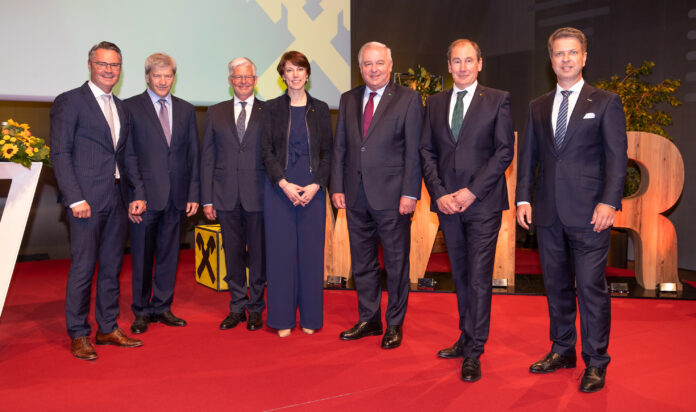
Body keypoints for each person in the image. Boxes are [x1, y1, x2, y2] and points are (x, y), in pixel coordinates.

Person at [516, 27, 628, 393]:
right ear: (551, 60)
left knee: (591, 289)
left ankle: (596, 361)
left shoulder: (606, 102)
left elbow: (616, 158)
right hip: (547, 214)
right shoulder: (537, 106)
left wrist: (610, 201)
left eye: (572, 53)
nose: (565, 59)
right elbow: (529, 157)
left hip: (590, 215)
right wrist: (523, 199)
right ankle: (563, 350)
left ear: (584, 57)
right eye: (558, 54)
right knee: (556, 287)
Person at [419, 39, 514, 381]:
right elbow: (426, 151)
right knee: (459, 275)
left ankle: (474, 351)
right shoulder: (434, 102)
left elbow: (504, 152)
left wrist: (472, 192)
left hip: (482, 204)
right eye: (456, 61)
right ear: (448, 65)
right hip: (447, 205)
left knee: (478, 276)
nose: (462, 66)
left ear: (480, 63)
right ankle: (466, 335)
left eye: (468, 60)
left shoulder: (498, 99)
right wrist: (440, 193)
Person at [51, 41, 146, 360]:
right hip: (84, 202)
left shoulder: (121, 107)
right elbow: (60, 152)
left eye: (115, 65)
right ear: (90, 65)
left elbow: (128, 155)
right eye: (103, 64)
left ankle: (107, 327)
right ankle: (78, 333)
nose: (109, 70)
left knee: (111, 268)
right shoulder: (70, 101)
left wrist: (138, 194)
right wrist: (74, 197)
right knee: (83, 268)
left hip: (117, 200)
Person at [331, 41, 423, 349]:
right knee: (363, 263)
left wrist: (410, 192)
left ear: (390, 64)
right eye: (368, 64)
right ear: (360, 68)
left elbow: (414, 151)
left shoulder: (409, 99)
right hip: (355, 195)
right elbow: (341, 146)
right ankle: (369, 318)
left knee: (396, 265)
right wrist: (338, 186)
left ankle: (394, 323)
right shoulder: (348, 99)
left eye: (379, 63)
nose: (374, 69)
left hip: (394, 198)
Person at [123, 53, 200, 334]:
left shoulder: (187, 110)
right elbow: (128, 155)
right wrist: (137, 193)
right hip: (144, 198)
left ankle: (163, 307)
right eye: (158, 75)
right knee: (142, 257)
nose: (163, 81)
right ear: (147, 77)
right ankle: (141, 311)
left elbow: (193, 154)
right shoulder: (130, 107)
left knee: (169, 255)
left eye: (168, 76)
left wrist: (194, 193)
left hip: (177, 197)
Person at [260, 51, 332, 338]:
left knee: (311, 256)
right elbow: (266, 151)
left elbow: (329, 153)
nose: (295, 75)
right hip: (280, 191)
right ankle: (282, 318)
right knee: (280, 256)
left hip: (313, 190)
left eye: (299, 69)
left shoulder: (322, 109)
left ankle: (311, 316)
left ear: (307, 74)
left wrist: (316, 185)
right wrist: (284, 184)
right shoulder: (271, 109)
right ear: (282, 76)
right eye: (289, 70)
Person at [201, 57, 266, 331]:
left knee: (259, 256)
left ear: (255, 79)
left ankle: (256, 308)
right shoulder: (215, 113)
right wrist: (207, 198)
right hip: (225, 197)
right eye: (237, 77)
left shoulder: (269, 111)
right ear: (230, 81)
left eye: (247, 77)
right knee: (233, 255)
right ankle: (237, 306)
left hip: (260, 196)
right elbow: (207, 158)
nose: (242, 81)